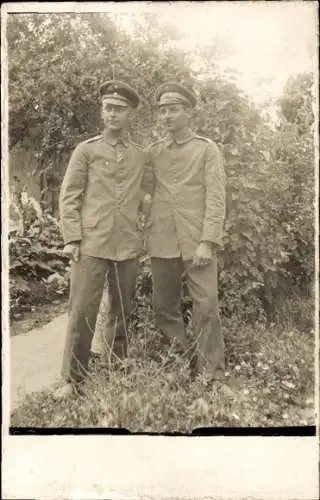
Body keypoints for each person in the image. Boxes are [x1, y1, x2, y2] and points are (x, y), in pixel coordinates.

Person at [54, 80, 149, 398]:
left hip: (127, 244)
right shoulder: (87, 150)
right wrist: (72, 238)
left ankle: (116, 368)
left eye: (120, 109)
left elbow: (147, 192)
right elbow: (69, 196)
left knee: (123, 311)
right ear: (102, 111)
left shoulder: (139, 155)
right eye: (108, 108)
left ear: (130, 114)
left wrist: (144, 222)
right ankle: (72, 379)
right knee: (82, 309)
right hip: (91, 242)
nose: (113, 114)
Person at [146, 82, 226, 382]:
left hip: (197, 241)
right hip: (162, 239)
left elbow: (216, 198)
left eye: (174, 109)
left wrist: (208, 241)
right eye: (163, 111)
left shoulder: (206, 149)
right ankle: (177, 366)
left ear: (187, 112)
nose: (167, 116)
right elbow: (143, 192)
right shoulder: (153, 153)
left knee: (205, 305)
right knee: (164, 306)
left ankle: (212, 374)